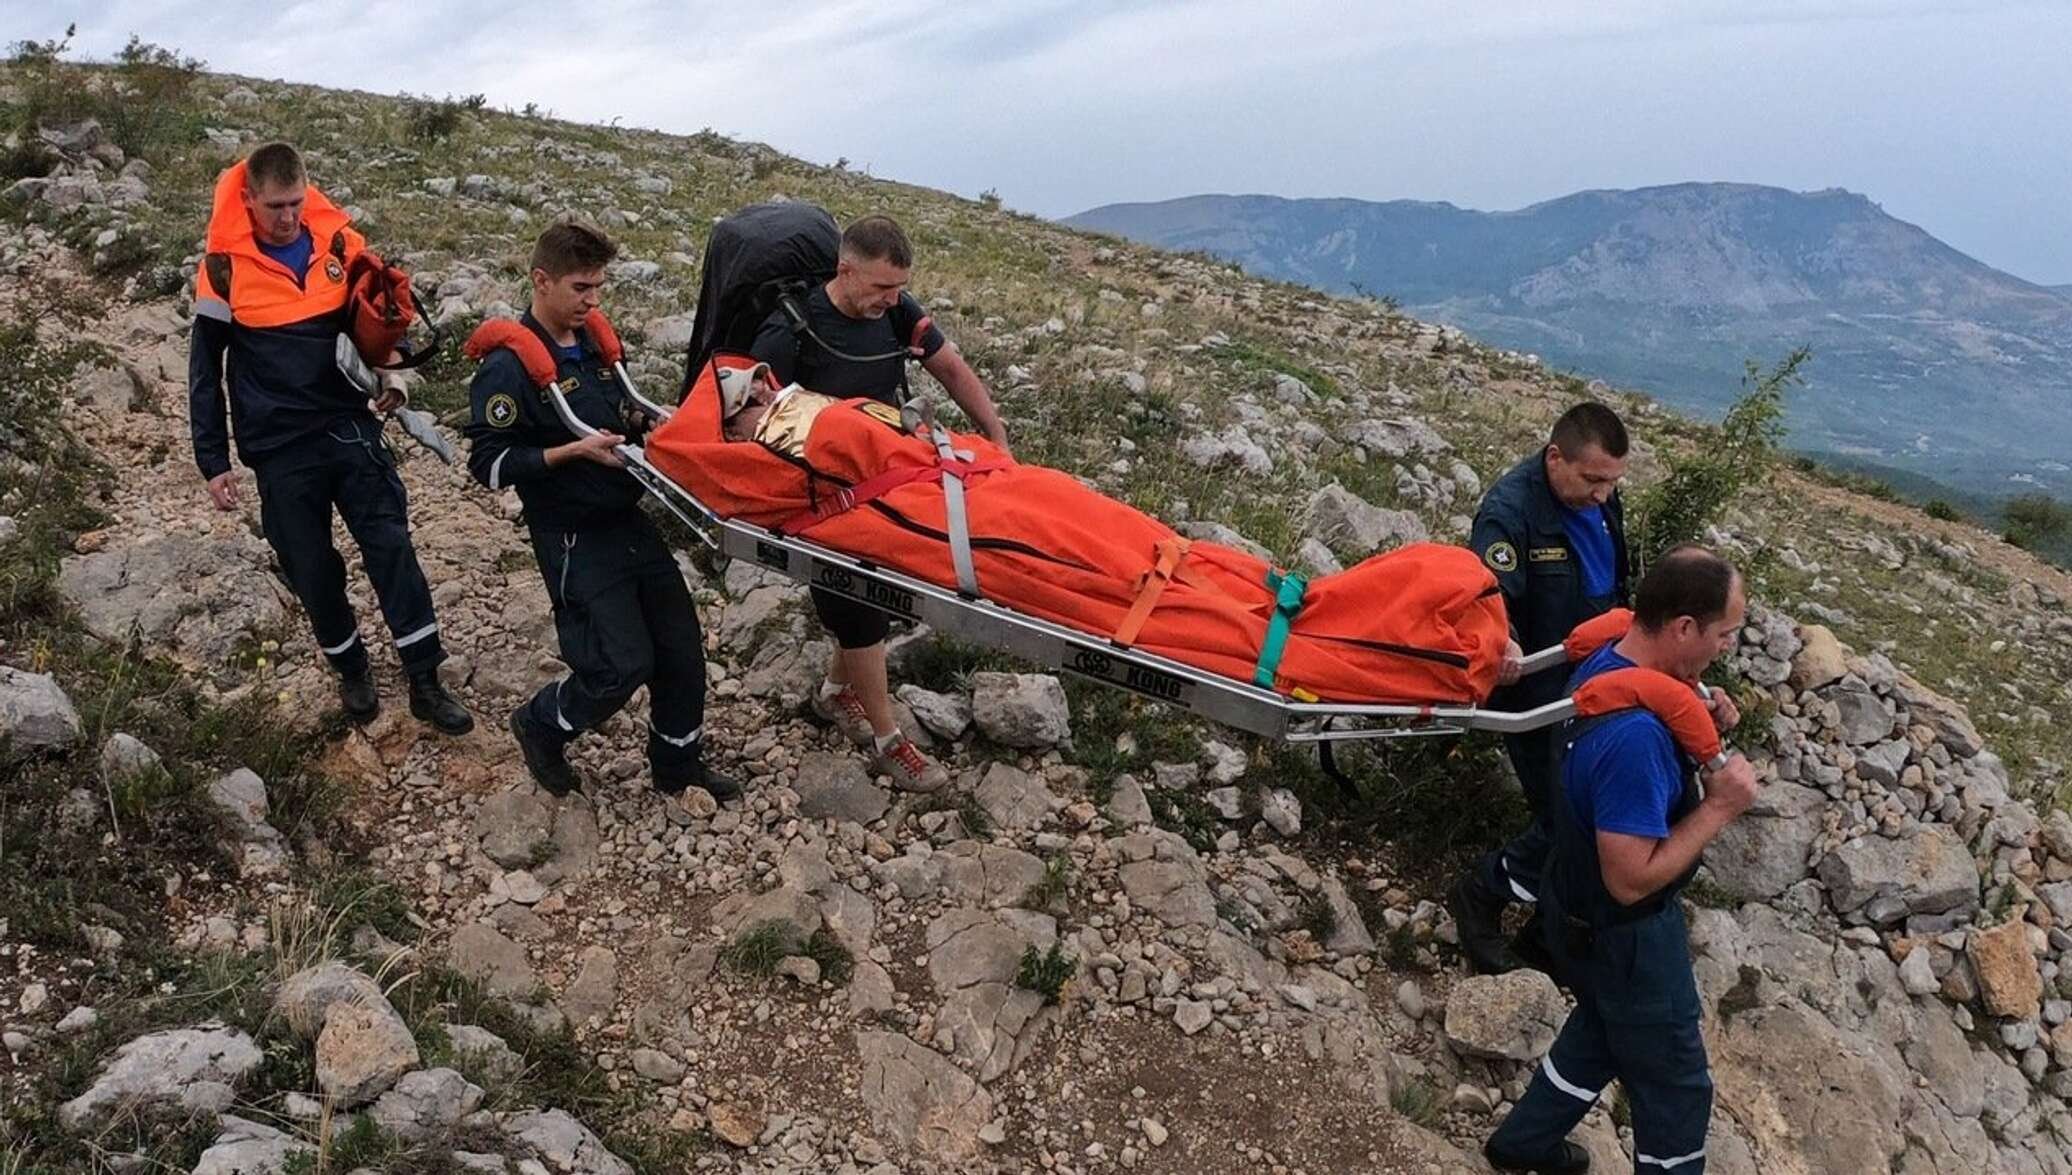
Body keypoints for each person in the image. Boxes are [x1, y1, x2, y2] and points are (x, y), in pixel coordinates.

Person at [1481, 545, 1752, 1175]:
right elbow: (1630, 881)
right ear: (1684, 628)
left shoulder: (1611, 662)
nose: (1728, 648)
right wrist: (1718, 808)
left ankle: (1522, 1145)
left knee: (1601, 1032)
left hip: (1573, 908)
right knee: (1677, 1087)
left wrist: (1698, 706)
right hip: (1627, 931)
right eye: (1724, 634)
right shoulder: (1634, 741)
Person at [188, 141, 472, 734]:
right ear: (248, 199)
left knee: (391, 546)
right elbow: (204, 371)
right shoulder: (222, 268)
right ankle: (351, 669)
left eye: (296, 202)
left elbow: (374, 324)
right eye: (274, 207)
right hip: (280, 445)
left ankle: (424, 677)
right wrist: (212, 459)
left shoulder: (341, 245)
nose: (288, 217)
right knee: (311, 567)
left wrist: (393, 376)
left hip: (348, 426)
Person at [464, 220, 735, 804]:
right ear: (542, 280)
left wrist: (643, 423)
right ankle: (541, 724)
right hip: (571, 535)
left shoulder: (594, 346)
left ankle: (676, 764)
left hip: (627, 520)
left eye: (599, 289)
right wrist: (573, 452)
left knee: (680, 648)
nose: (593, 301)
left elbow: (619, 410)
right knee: (620, 663)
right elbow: (487, 465)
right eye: (581, 288)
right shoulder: (509, 368)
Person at [749, 215, 1006, 792]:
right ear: (845, 271)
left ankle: (838, 694)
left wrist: (995, 431)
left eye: (899, 290)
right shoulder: (791, 329)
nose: (892, 302)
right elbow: (750, 419)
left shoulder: (897, 313)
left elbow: (949, 366)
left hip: (891, 481)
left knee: (889, 597)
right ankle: (890, 741)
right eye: (881, 290)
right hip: (821, 497)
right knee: (861, 608)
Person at [1450, 403, 1634, 974]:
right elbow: (1489, 592)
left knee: (1591, 817)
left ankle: (1546, 935)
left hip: (1593, 678)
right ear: (1556, 457)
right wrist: (1504, 640)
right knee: (1567, 818)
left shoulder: (1599, 501)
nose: (1604, 495)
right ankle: (1480, 895)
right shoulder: (1511, 512)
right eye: (1593, 480)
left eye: (1612, 482)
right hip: (1536, 689)